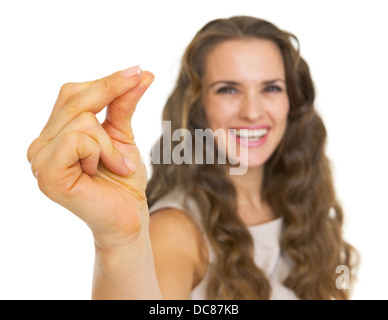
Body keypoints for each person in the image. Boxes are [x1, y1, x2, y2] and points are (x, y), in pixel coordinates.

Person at [27, 16, 358, 300]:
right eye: (228, 89)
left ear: (293, 101)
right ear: (198, 106)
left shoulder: (302, 200)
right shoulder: (176, 229)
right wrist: (118, 241)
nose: (253, 111)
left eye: (271, 88)